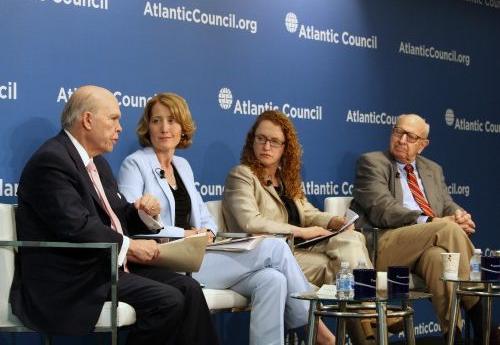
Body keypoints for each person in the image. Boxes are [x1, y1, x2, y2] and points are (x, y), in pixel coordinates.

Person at [117, 93, 335, 345]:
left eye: (172, 120)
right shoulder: (135, 164)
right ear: (148, 126)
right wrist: (185, 234)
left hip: (201, 252)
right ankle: (315, 331)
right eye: (157, 121)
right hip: (168, 262)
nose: (165, 128)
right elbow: (130, 223)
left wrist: (207, 231)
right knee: (275, 247)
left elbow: (204, 216)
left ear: (183, 127)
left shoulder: (182, 165)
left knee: (272, 280)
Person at [10, 86, 219, 345]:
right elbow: (78, 228)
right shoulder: (51, 161)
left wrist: (141, 213)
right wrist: (131, 247)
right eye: (113, 119)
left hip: (108, 267)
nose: (120, 127)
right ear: (87, 120)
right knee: (168, 300)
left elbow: (118, 218)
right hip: (74, 277)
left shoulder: (98, 163)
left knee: (189, 289)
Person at [221, 110, 385, 344]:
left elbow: (308, 213)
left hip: (302, 252)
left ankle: (367, 319)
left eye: (275, 141)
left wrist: (333, 221)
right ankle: (373, 319)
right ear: (252, 141)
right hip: (273, 256)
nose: (266, 146)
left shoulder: (285, 178)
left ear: (286, 147)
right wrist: (301, 231)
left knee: (351, 240)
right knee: (343, 272)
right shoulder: (242, 175)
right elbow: (250, 222)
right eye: (261, 138)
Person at [349, 113, 486, 342]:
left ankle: (454, 335)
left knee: (438, 258)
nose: (401, 140)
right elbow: (383, 209)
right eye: (398, 132)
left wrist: (459, 216)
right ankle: (483, 322)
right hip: (384, 245)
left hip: (425, 246)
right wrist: (433, 222)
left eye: (410, 137)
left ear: (423, 145)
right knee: (448, 231)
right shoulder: (371, 162)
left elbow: (446, 204)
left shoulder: (433, 169)